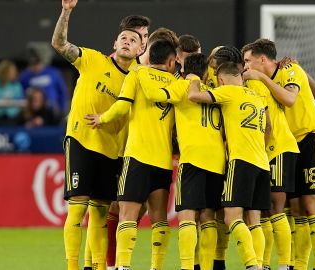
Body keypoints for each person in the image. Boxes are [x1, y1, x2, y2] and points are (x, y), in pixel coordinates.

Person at [51, 0, 142, 270]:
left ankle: (100, 267)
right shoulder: (91, 59)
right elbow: (59, 44)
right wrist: (66, 12)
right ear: (115, 44)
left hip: (113, 149)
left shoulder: (139, 78)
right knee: (77, 208)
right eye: (123, 38)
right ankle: (72, 267)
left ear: (141, 49)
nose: (127, 41)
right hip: (81, 140)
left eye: (133, 40)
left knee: (100, 214)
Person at [85, 39, 178, 270]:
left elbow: (122, 106)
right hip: (163, 161)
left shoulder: (137, 75)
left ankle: (122, 266)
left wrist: (102, 118)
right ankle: (156, 266)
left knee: (127, 214)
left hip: (136, 157)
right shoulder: (177, 83)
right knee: (159, 218)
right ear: (171, 61)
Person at [242, 39, 315, 270]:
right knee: (296, 210)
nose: (245, 67)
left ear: (262, 59)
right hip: (289, 145)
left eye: (248, 61)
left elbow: (292, 99)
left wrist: (298, 70)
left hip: (311, 139)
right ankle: (298, 266)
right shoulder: (266, 81)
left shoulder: (288, 69)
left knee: (312, 207)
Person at [135, 53, 225, 270]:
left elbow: (154, 94)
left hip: (192, 158)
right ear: (206, 72)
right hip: (218, 160)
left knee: (187, 217)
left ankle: (187, 267)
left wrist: (141, 70)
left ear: (183, 70)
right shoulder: (214, 92)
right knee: (208, 217)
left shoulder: (182, 86)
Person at [188, 62, 271, 270]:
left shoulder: (228, 91)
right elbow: (268, 127)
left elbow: (194, 97)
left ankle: (252, 265)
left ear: (222, 79)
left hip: (241, 162)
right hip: (262, 163)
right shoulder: (255, 97)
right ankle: (259, 263)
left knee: (231, 217)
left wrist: (194, 79)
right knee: (254, 220)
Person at [19, 43, 69, 115]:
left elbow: (62, 92)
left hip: (52, 109)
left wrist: (62, 109)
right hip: (33, 110)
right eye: (33, 64)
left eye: (37, 64)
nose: (35, 67)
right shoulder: (25, 75)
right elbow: (20, 92)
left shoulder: (53, 73)